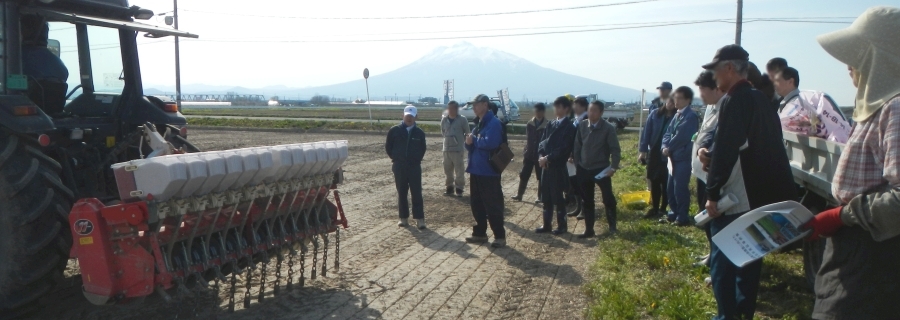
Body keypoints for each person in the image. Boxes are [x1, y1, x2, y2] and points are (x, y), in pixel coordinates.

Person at [804, 7, 900, 319]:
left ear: (879, 59)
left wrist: (842, 215)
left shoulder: (895, 109)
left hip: (874, 251)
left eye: (856, 54)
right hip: (863, 243)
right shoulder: (878, 106)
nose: (848, 66)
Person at [701, 44, 796, 320]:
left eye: (716, 70)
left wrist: (712, 192)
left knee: (722, 262)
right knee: (750, 257)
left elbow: (728, 150)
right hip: (760, 193)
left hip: (738, 195)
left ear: (729, 69)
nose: (714, 77)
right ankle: (744, 312)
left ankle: (726, 316)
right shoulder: (760, 98)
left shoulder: (734, 100)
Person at [692, 70, 728, 269]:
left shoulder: (726, 108)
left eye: (703, 89)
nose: (701, 94)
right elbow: (705, 133)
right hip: (702, 173)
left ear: (716, 89)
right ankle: (712, 253)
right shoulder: (710, 108)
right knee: (705, 215)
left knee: (714, 217)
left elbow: (719, 139)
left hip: (713, 174)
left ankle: (718, 261)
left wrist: (708, 151)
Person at [464, 94, 507, 248]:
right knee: (477, 204)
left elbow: (491, 143)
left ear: (485, 105)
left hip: (488, 171)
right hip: (476, 169)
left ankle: (499, 236)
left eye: (476, 104)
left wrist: (473, 140)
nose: (474, 108)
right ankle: (480, 232)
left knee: (492, 204)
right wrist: (469, 142)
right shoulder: (480, 123)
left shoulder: (494, 123)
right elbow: (472, 144)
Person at [574, 100, 621, 237]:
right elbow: (577, 146)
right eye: (589, 110)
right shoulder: (582, 126)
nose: (591, 113)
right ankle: (589, 229)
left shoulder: (608, 128)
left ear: (601, 112)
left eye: (594, 110)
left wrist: (613, 167)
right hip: (584, 168)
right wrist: (578, 165)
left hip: (601, 169)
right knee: (587, 200)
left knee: (608, 198)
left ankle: (612, 227)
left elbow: (615, 150)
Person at [536, 96, 577, 235]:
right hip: (545, 166)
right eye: (555, 106)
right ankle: (546, 224)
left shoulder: (569, 127)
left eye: (559, 107)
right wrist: (541, 156)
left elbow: (564, 148)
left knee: (558, 197)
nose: (556, 109)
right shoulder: (551, 124)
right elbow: (542, 143)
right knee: (545, 196)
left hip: (557, 166)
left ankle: (562, 225)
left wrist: (548, 157)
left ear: (566, 109)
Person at [661, 86, 699, 226]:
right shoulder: (677, 115)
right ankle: (673, 213)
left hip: (682, 157)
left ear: (688, 100)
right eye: (675, 97)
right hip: (672, 157)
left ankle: (682, 217)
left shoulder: (691, 116)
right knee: (670, 187)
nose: (676, 100)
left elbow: (682, 136)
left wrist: (668, 147)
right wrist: (664, 147)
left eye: (679, 98)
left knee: (680, 188)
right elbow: (667, 133)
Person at [385, 105, 428, 229]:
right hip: (399, 166)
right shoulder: (394, 130)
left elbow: (422, 149)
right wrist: (396, 158)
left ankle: (420, 219)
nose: (409, 118)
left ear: (416, 117)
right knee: (402, 192)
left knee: (416, 192)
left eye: (412, 116)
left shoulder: (419, 133)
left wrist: (415, 160)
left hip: (414, 167)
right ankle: (403, 218)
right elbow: (388, 147)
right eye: (407, 116)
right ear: (402, 116)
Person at [638, 97, 675, 219]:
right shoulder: (655, 114)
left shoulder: (677, 117)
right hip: (654, 151)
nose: (671, 104)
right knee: (654, 180)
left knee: (666, 182)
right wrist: (643, 150)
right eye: (669, 101)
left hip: (668, 153)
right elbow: (646, 132)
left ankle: (663, 208)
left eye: (674, 102)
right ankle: (654, 207)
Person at [512, 103, 548, 202]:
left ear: (543, 112)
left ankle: (540, 196)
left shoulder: (547, 125)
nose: (537, 113)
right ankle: (519, 195)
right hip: (529, 154)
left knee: (541, 176)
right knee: (524, 174)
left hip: (540, 155)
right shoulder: (530, 123)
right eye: (536, 111)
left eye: (539, 111)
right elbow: (528, 138)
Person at [441, 101, 469, 197]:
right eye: (449, 108)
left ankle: (459, 189)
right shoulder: (444, 120)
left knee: (459, 170)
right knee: (447, 170)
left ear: (457, 109)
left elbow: (467, 133)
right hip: (446, 149)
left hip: (457, 150)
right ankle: (449, 188)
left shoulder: (462, 120)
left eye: (452, 108)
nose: (450, 110)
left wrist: (462, 142)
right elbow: (443, 132)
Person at [566, 97, 589, 218]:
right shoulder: (575, 120)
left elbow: (581, 141)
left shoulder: (586, 120)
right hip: (572, 156)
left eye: (577, 105)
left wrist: (574, 155)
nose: (574, 108)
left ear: (584, 107)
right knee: (574, 182)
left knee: (582, 183)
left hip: (580, 157)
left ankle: (584, 210)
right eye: (574, 105)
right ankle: (578, 207)